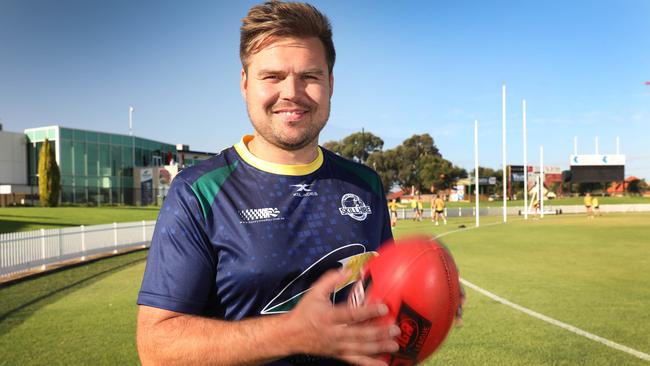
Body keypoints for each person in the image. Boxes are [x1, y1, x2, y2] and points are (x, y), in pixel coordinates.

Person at [136, 2, 403, 365]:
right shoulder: (199, 191)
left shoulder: (364, 184)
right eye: (272, 76)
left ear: (331, 84)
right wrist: (290, 333)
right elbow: (156, 347)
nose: (292, 92)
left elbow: (383, 296)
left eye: (310, 75)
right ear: (245, 84)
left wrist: (423, 299)